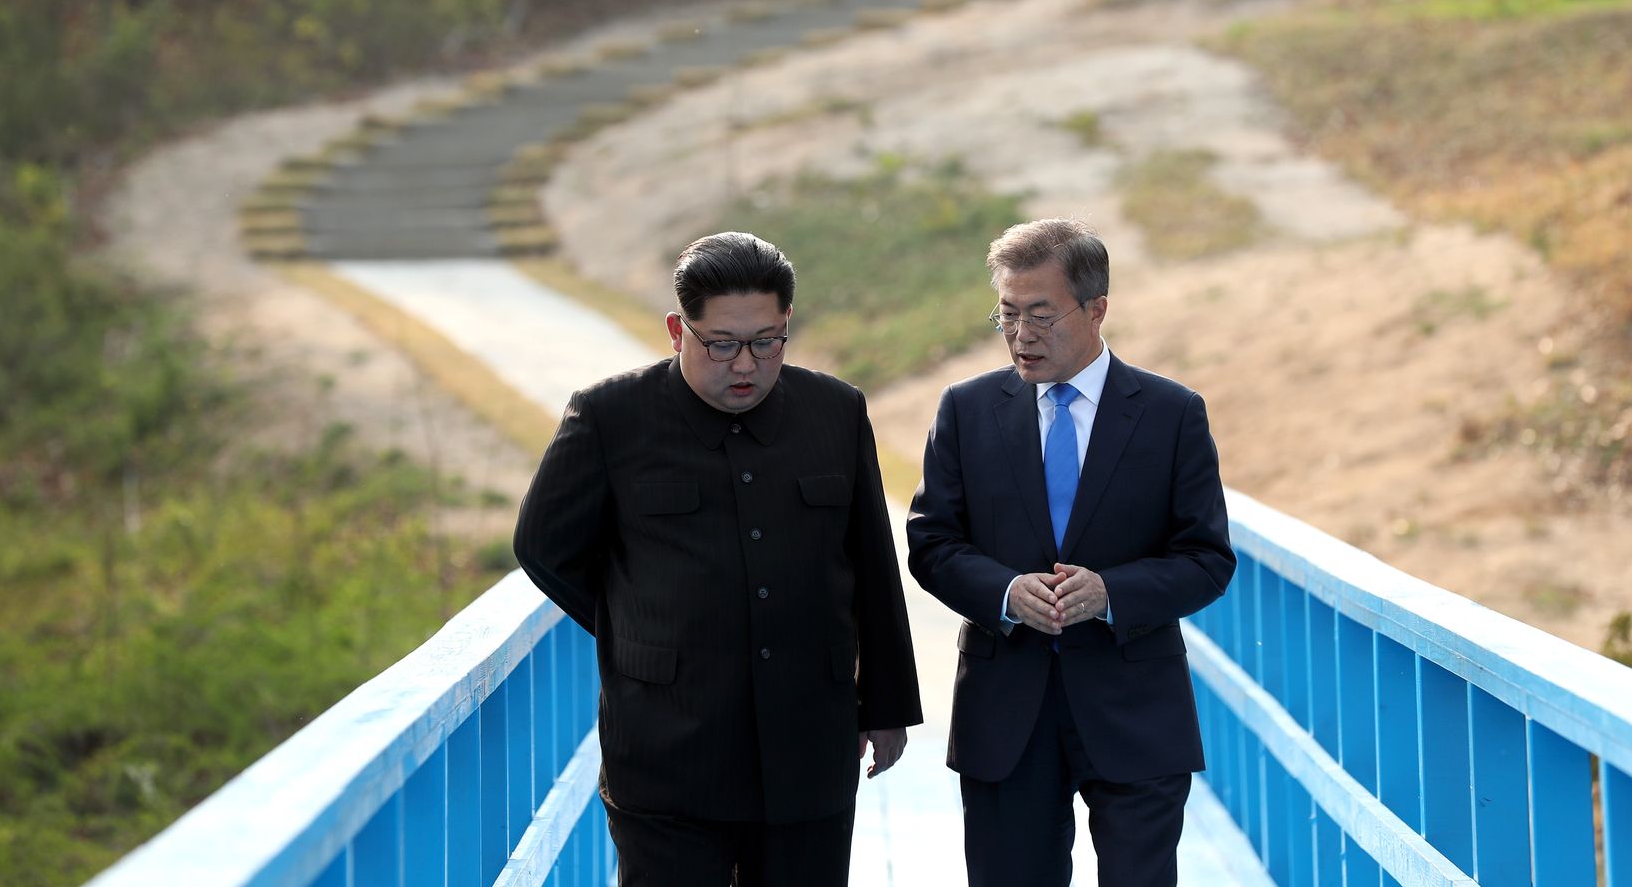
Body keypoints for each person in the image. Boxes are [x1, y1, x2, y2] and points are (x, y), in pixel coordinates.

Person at [513, 231, 921, 887]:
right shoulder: (610, 416)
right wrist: (643, 625)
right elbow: (543, 547)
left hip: (808, 741)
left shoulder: (836, 412)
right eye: (722, 344)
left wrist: (885, 704)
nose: (745, 365)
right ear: (679, 328)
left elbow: (871, 564)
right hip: (666, 745)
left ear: (787, 324)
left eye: (766, 342)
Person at [906, 218, 1235, 887]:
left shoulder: (1172, 413)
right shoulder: (966, 411)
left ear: (1096, 309)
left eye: (1041, 315)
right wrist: (1004, 592)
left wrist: (1111, 593)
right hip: (1006, 716)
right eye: (1007, 315)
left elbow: (1206, 558)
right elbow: (931, 541)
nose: (1022, 335)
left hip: (1135, 710)